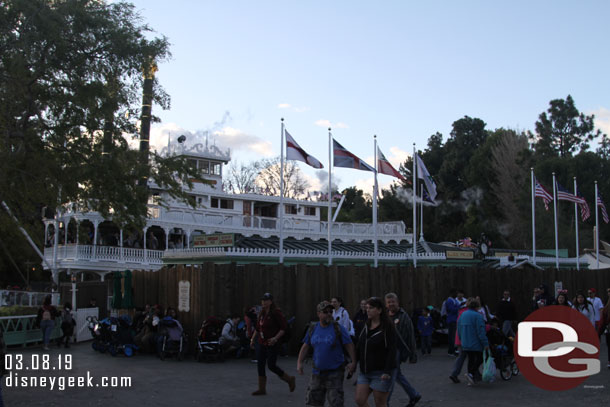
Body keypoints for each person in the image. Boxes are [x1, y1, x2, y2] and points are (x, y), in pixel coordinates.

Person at [297, 301, 356, 407]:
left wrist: (353, 362)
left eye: (330, 311)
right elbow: (305, 346)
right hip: (317, 372)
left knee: (336, 402)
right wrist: (299, 362)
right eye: (325, 312)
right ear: (318, 313)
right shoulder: (313, 328)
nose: (329, 314)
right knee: (313, 402)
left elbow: (349, 345)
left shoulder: (338, 328)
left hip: (335, 372)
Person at [250, 293, 295, 396]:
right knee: (260, 364)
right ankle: (262, 389)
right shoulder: (262, 313)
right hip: (262, 342)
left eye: (266, 300)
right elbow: (258, 328)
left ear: (271, 301)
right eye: (263, 300)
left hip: (272, 343)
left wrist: (275, 338)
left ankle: (289, 379)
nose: (264, 302)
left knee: (271, 365)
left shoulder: (276, 312)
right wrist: (252, 339)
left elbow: (283, 328)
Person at [355, 297, 397, 407]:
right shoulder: (366, 325)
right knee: (360, 400)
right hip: (365, 371)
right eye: (367, 308)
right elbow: (359, 345)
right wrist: (353, 362)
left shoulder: (387, 327)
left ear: (379, 310)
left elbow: (392, 350)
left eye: (371, 308)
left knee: (380, 403)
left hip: (380, 372)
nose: (367, 310)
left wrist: (387, 371)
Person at [384, 293, 420, 407]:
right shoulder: (384, 316)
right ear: (386, 304)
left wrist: (413, 355)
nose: (391, 304)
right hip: (386, 351)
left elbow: (411, 336)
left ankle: (385, 403)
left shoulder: (404, 317)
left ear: (397, 302)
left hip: (397, 352)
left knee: (389, 377)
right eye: (389, 302)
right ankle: (414, 395)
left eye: (393, 302)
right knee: (397, 375)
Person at [457, 299, 489, 386]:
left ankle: (470, 377)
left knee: (470, 359)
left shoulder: (463, 315)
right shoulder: (478, 316)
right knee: (480, 358)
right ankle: (471, 374)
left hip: (465, 341)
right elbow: (481, 331)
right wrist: (485, 343)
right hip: (475, 342)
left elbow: (459, 329)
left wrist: (461, 339)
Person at [443, 289, 460, 356]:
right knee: (452, 336)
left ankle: (454, 349)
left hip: (455, 319)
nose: (456, 295)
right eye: (455, 293)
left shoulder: (454, 300)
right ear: (452, 293)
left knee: (454, 335)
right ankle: (451, 350)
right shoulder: (449, 300)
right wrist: (458, 307)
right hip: (451, 319)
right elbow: (452, 310)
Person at [598, 295, 610, 368]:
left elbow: (603, 322)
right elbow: (603, 322)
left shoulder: (606, 309)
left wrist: (599, 332)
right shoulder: (606, 309)